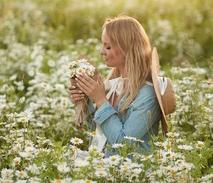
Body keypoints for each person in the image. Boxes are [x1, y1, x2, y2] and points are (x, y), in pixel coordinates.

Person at [68, 16, 162, 157]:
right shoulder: (115, 84)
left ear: (126, 49)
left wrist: (100, 100)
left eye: (108, 47)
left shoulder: (147, 94)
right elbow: (101, 131)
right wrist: (86, 101)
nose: (101, 52)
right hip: (107, 161)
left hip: (130, 170)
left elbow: (121, 144)